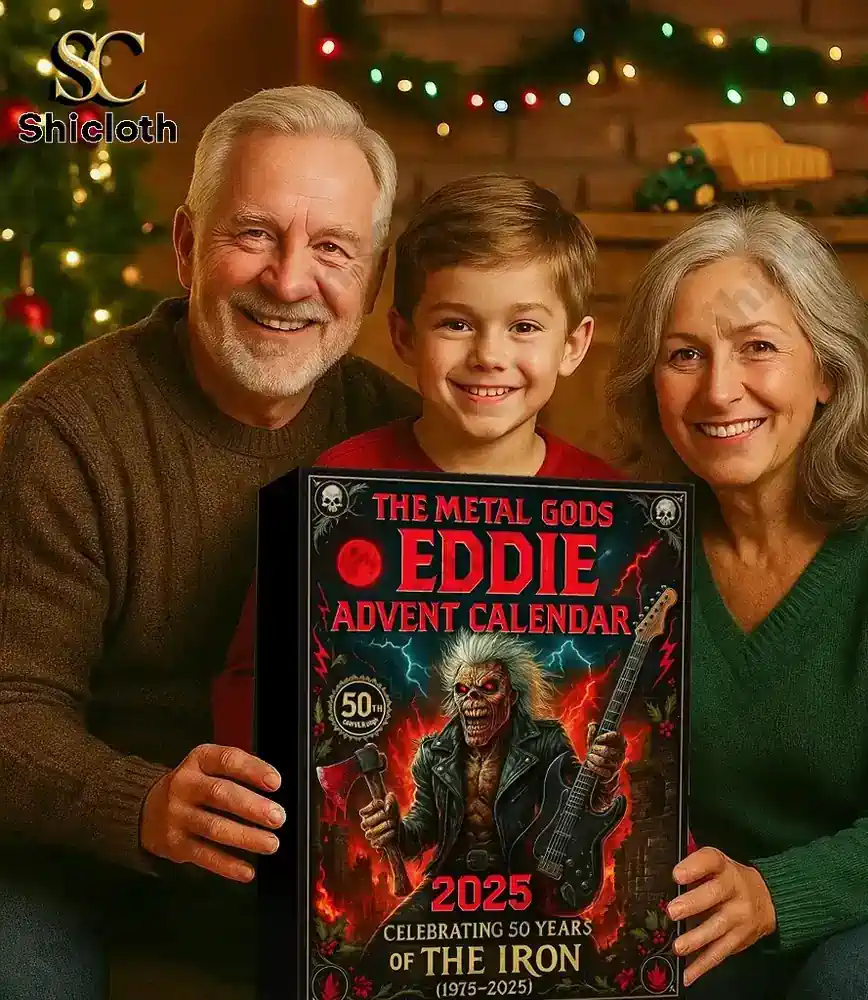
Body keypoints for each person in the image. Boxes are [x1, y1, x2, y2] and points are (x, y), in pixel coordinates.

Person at [0, 85, 418, 999]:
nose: (289, 279)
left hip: (330, 869)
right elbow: (10, 708)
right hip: (84, 863)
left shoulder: (405, 437)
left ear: (372, 280)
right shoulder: (63, 430)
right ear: (188, 245)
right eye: (255, 234)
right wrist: (144, 805)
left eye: (333, 248)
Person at [605, 203, 868, 1000]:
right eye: (685, 354)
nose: (719, 390)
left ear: (826, 372)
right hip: (731, 900)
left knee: (855, 985)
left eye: (758, 348)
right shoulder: (639, 548)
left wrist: (772, 894)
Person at [213, 172, 624, 752]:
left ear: (574, 345)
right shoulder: (340, 489)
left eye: (524, 327)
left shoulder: (613, 509)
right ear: (404, 337)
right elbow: (253, 678)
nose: (488, 355)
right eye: (455, 324)